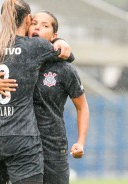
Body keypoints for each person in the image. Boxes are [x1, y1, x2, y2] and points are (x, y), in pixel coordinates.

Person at [0, 0, 74, 184]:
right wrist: (58, 39)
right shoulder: (34, 46)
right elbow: (67, 54)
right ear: (28, 19)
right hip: (19, 136)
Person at [28, 11, 89, 184]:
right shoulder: (18, 61)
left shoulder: (64, 69)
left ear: (54, 35)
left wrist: (81, 142)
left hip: (53, 148)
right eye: (34, 23)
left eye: (45, 25)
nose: (38, 27)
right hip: (22, 146)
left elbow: (82, 106)